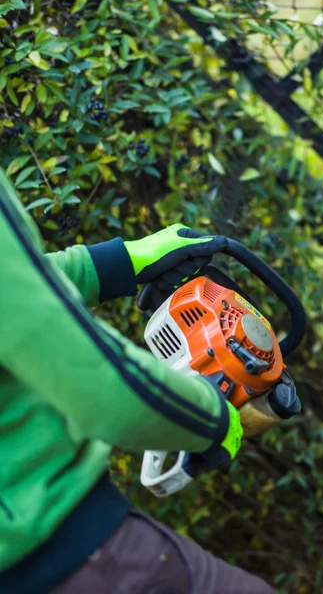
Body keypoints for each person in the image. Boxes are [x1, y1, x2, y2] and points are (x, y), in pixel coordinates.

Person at [0, 167, 276, 594]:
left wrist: (115, 263)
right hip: (75, 560)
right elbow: (95, 385)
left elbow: (15, 288)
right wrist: (212, 419)